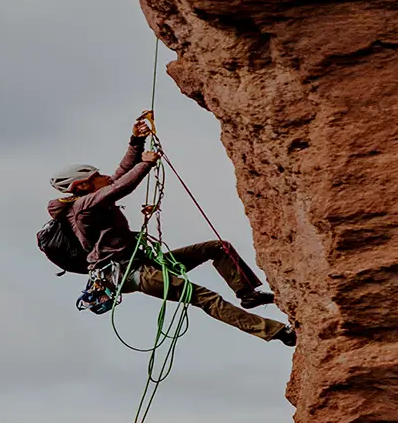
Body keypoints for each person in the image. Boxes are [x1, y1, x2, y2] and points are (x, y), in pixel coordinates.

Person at [47, 113, 296, 346]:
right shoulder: (83, 207)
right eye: (97, 175)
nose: (104, 176)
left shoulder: (91, 199)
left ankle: (248, 294)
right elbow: (120, 186)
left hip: (142, 263)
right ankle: (276, 332)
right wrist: (145, 164)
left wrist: (136, 142)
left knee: (218, 248)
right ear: (82, 186)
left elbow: (119, 177)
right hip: (131, 272)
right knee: (205, 298)